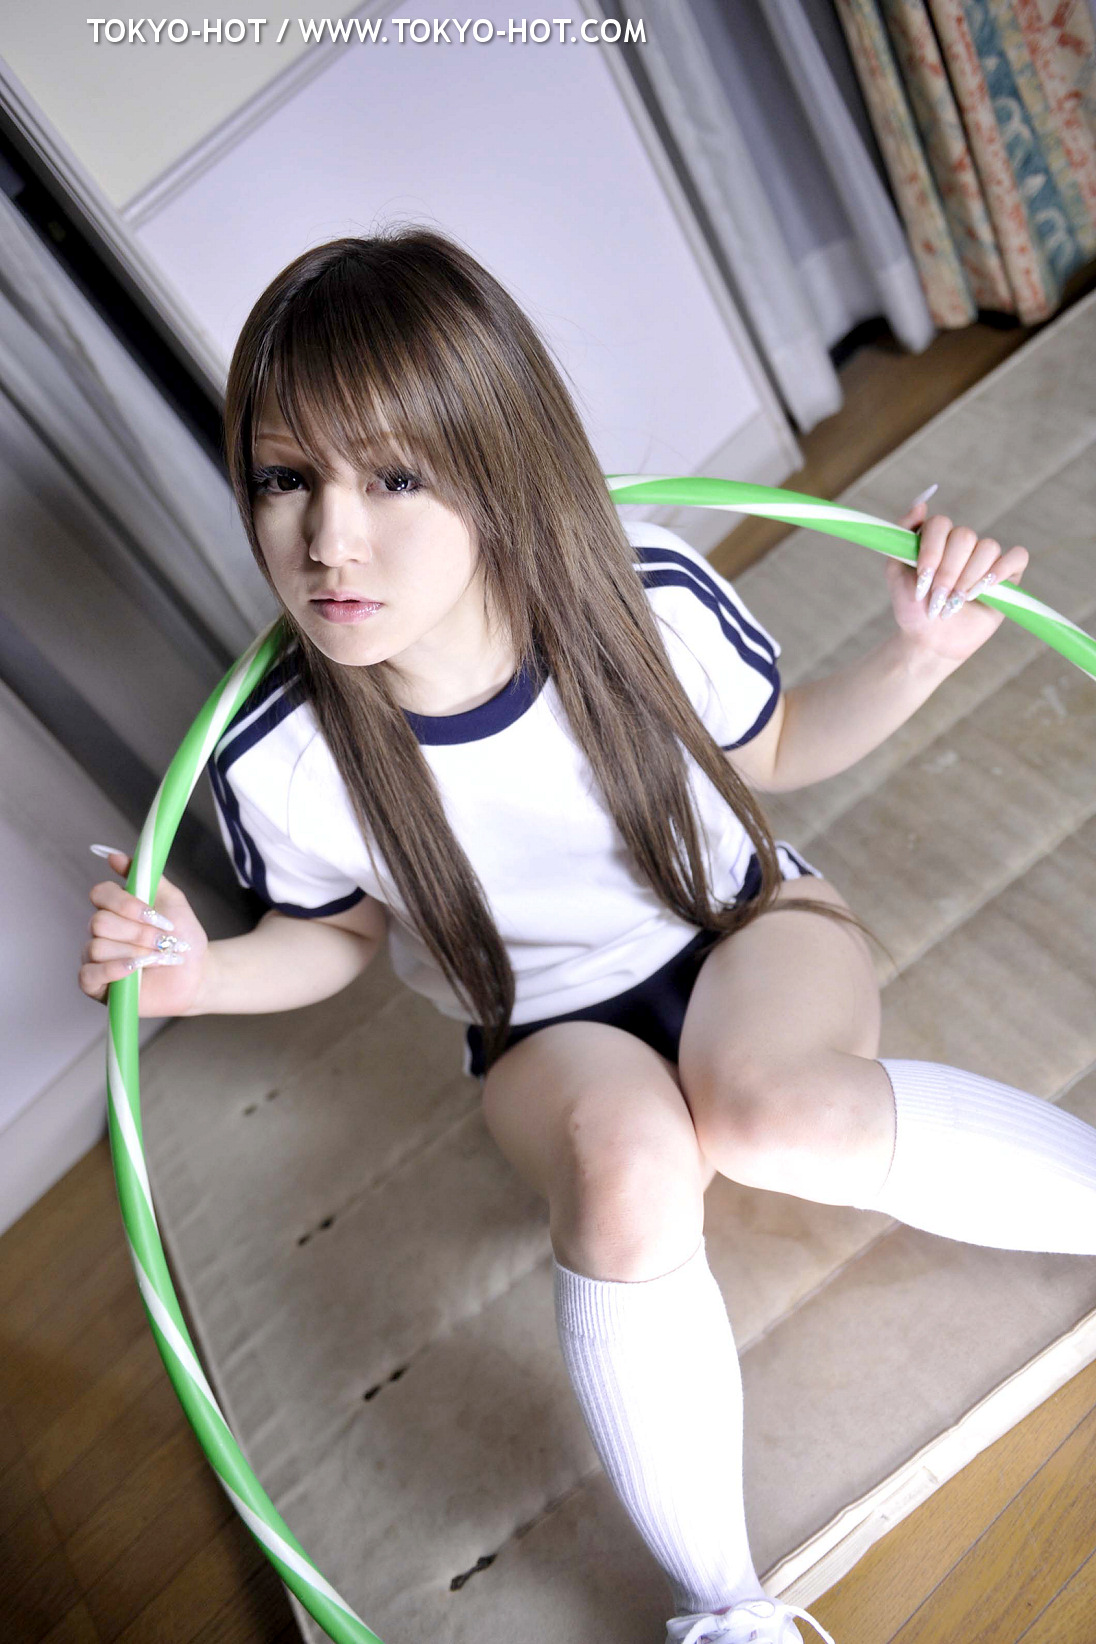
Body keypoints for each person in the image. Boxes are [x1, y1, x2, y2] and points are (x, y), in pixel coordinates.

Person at [79, 228, 1096, 1644]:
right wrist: (200, 975)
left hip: (742, 922)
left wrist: (917, 653)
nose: (329, 539)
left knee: (778, 1110)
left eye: (394, 477)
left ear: (497, 460)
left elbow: (780, 743)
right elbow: (337, 936)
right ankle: (723, 1606)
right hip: (544, 1031)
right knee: (626, 1173)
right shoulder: (277, 753)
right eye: (282, 478)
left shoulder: (639, 590)